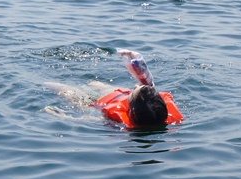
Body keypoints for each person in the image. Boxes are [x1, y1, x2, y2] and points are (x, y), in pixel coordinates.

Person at [47, 49, 183, 129]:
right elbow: (147, 82)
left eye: (134, 91)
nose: (135, 86)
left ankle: (45, 82)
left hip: (99, 103)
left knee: (62, 89)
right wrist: (134, 58)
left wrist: (63, 116)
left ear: (132, 109)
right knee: (94, 83)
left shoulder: (119, 122)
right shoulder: (153, 106)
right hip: (114, 94)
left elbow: (88, 119)